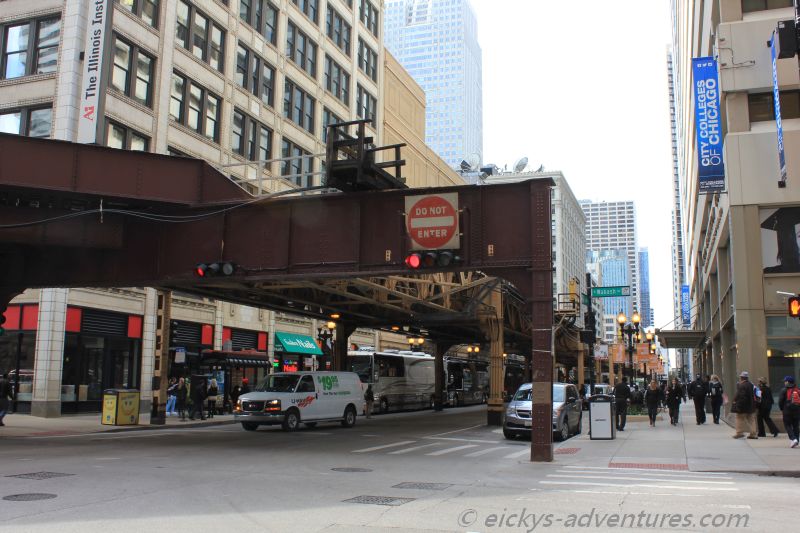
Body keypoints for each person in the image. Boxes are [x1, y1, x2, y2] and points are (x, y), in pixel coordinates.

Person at [732, 371, 758, 439]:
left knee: (739, 419)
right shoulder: (751, 385)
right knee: (751, 420)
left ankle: (739, 433)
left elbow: (741, 396)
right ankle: (753, 434)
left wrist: (737, 404)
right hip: (751, 406)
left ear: (741, 378)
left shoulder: (742, 386)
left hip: (743, 406)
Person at [778, 376, 800, 448]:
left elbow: (780, 401)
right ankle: (796, 440)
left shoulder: (784, 390)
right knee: (796, 426)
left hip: (787, 411)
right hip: (797, 411)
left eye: (785, 381)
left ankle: (793, 439)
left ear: (787, 382)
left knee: (787, 425)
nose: (784, 382)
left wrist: (782, 409)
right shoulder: (798, 390)